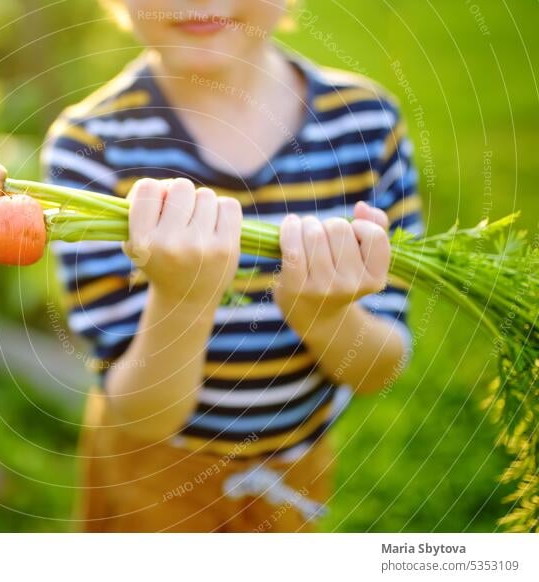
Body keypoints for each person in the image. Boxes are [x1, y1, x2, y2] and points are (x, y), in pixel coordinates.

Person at [42, 0, 423, 532]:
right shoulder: (91, 145)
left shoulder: (365, 125)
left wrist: (325, 315)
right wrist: (182, 298)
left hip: (294, 467)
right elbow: (147, 417)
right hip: (152, 472)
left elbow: (379, 368)